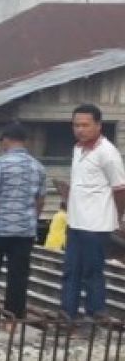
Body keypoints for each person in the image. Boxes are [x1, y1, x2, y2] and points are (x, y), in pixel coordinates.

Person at [0, 123, 47, 318]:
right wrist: (30, 220)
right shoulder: (37, 167)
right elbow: (40, 200)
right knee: (18, 275)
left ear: (6, 139)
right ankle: (12, 320)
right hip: (24, 230)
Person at [57, 103, 125, 320]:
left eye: (85, 125)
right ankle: (67, 312)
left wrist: (118, 216)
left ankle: (96, 313)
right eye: (76, 125)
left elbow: (120, 189)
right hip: (75, 221)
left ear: (98, 125)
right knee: (71, 270)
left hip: (96, 224)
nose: (80, 129)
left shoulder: (108, 153)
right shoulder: (77, 149)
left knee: (92, 271)